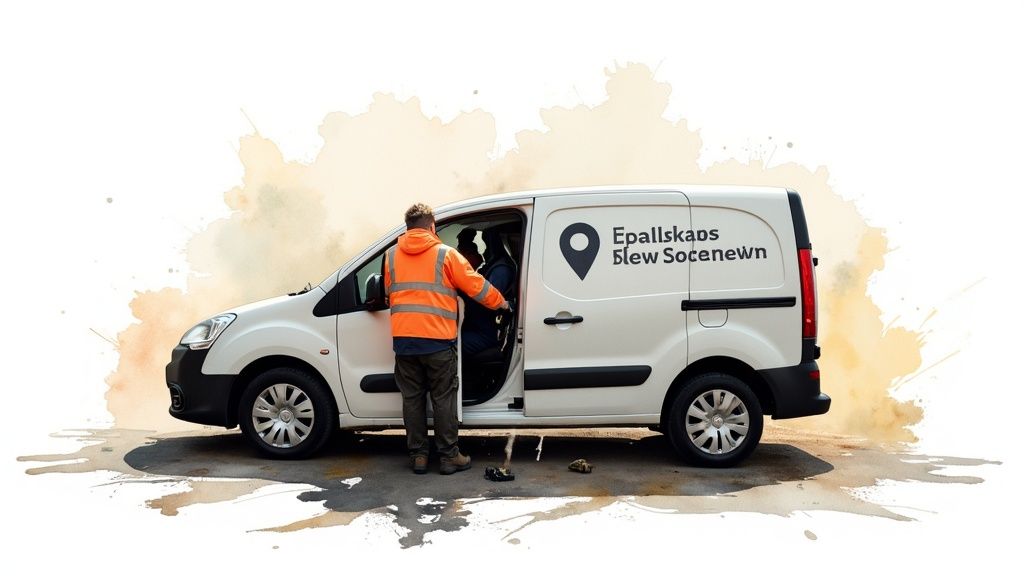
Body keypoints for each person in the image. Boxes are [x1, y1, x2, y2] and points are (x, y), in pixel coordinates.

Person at [384, 204, 509, 475]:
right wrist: (502, 304)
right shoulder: (446, 255)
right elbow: (477, 287)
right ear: (432, 226)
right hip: (438, 341)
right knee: (443, 398)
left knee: (412, 399)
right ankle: (449, 456)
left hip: (404, 341)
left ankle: (418, 456)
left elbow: (388, 290)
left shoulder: (391, 256)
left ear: (408, 227)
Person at [461, 227, 517, 357]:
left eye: (487, 246)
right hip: (480, 327)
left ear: (495, 244)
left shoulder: (501, 269)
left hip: (488, 332)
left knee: (451, 347)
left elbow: (488, 300)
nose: (483, 253)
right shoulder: (491, 267)